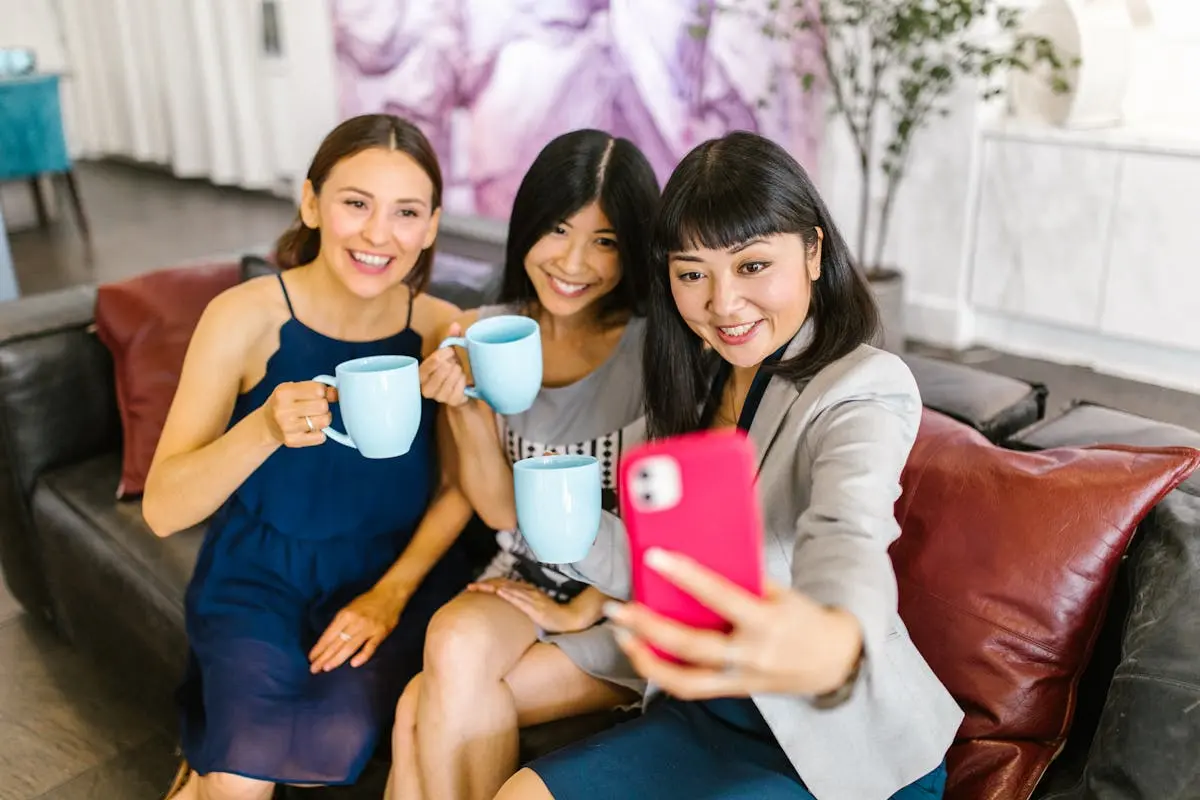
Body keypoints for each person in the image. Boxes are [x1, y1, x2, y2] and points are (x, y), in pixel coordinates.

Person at [495, 131, 964, 800]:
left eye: (751, 266)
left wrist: (835, 638)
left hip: (833, 747)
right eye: (692, 274)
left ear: (812, 251)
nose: (722, 303)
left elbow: (849, 529)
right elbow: (661, 572)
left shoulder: (861, 386)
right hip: (701, 713)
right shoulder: (687, 392)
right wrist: (563, 526)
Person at [144, 114, 476, 800]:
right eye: (356, 203)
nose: (379, 234)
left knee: (313, 743)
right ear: (311, 203)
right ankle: (211, 758)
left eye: (406, 212)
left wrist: (390, 595)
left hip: (386, 578)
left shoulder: (445, 331)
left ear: (433, 226)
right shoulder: (243, 318)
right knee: (238, 782)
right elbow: (162, 508)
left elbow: (458, 488)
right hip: (257, 573)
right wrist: (262, 429)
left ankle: (202, 753)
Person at [386, 128, 660, 800]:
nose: (574, 262)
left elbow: (678, 520)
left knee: (419, 706)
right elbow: (501, 512)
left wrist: (589, 605)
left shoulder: (661, 350)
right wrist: (467, 408)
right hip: (523, 573)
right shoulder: (482, 332)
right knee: (449, 639)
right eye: (558, 230)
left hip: (628, 597)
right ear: (526, 227)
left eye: (606, 242)